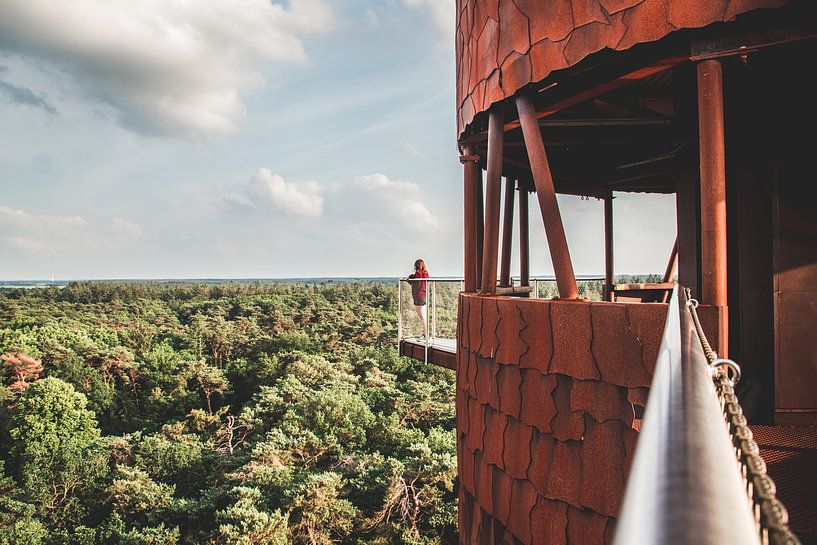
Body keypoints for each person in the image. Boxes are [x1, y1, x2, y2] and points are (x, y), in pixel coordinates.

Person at [408, 259, 429, 338]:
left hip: (418, 297)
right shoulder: (425, 274)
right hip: (423, 296)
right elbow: (417, 282)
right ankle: (425, 333)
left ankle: (425, 334)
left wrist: (412, 276)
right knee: (423, 316)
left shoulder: (418, 274)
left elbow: (416, 279)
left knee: (422, 317)